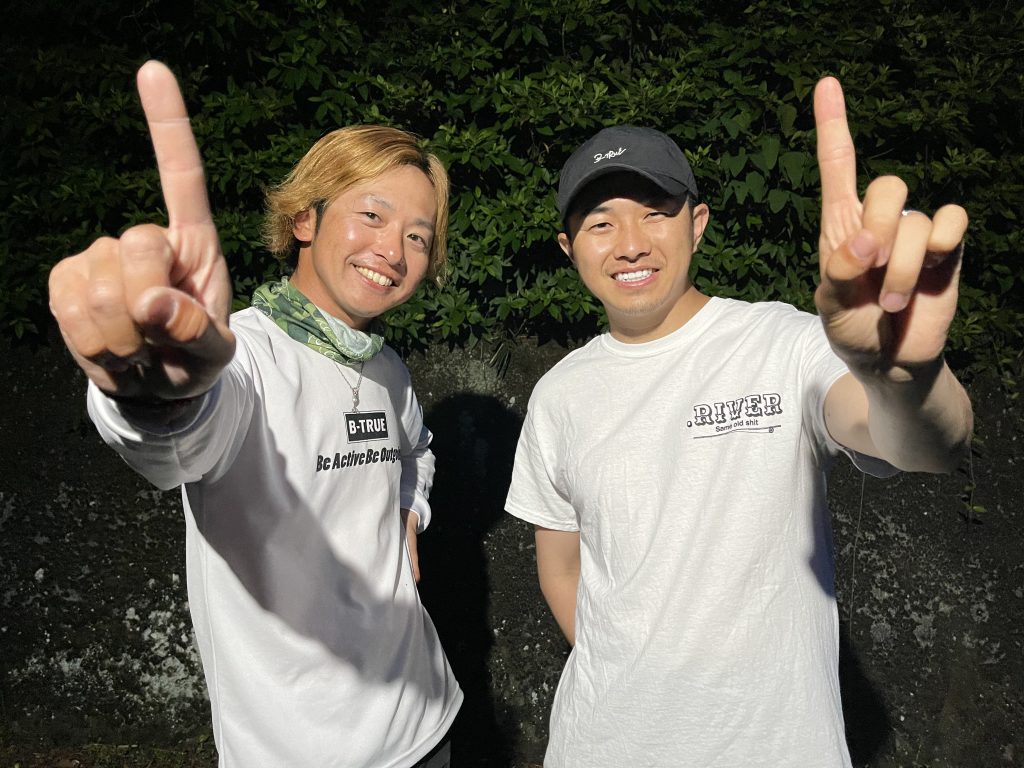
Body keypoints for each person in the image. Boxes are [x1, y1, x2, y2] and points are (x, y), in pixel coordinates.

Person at [505, 77, 973, 767]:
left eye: (655, 213)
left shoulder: (782, 343)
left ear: (697, 223)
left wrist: (905, 379)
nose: (629, 244)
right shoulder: (559, 395)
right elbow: (560, 569)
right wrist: (642, 683)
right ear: (568, 246)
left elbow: (920, 443)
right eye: (600, 223)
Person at [47, 61, 462, 767]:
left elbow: (415, 449)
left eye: (418, 237)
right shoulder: (242, 359)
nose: (393, 251)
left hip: (427, 719)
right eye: (371, 215)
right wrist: (153, 390)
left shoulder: (387, 367)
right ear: (304, 219)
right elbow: (181, 438)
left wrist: (408, 507)